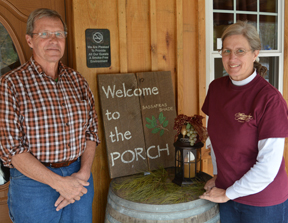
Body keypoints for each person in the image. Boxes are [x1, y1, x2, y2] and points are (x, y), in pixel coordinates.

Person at [0, 8, 100, 223]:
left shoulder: (77, 80)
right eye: (44, 34)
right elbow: (12, 150)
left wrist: (83, 174)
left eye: (59, 34)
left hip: (78, 175)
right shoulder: (11, 84)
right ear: (29, 40)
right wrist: (59, 183)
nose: (53, 40)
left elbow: (91, 132)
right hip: (33, 183)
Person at [200, 21, 288, 223]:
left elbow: (268, 166)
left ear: (255, 53)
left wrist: (228, 193)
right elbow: (217, 140)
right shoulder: (216, 89)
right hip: (227, 194)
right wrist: (218, 176)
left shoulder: (269, 99)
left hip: (263, 205)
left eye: (240, 51)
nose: (232, 58)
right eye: (226, 51)